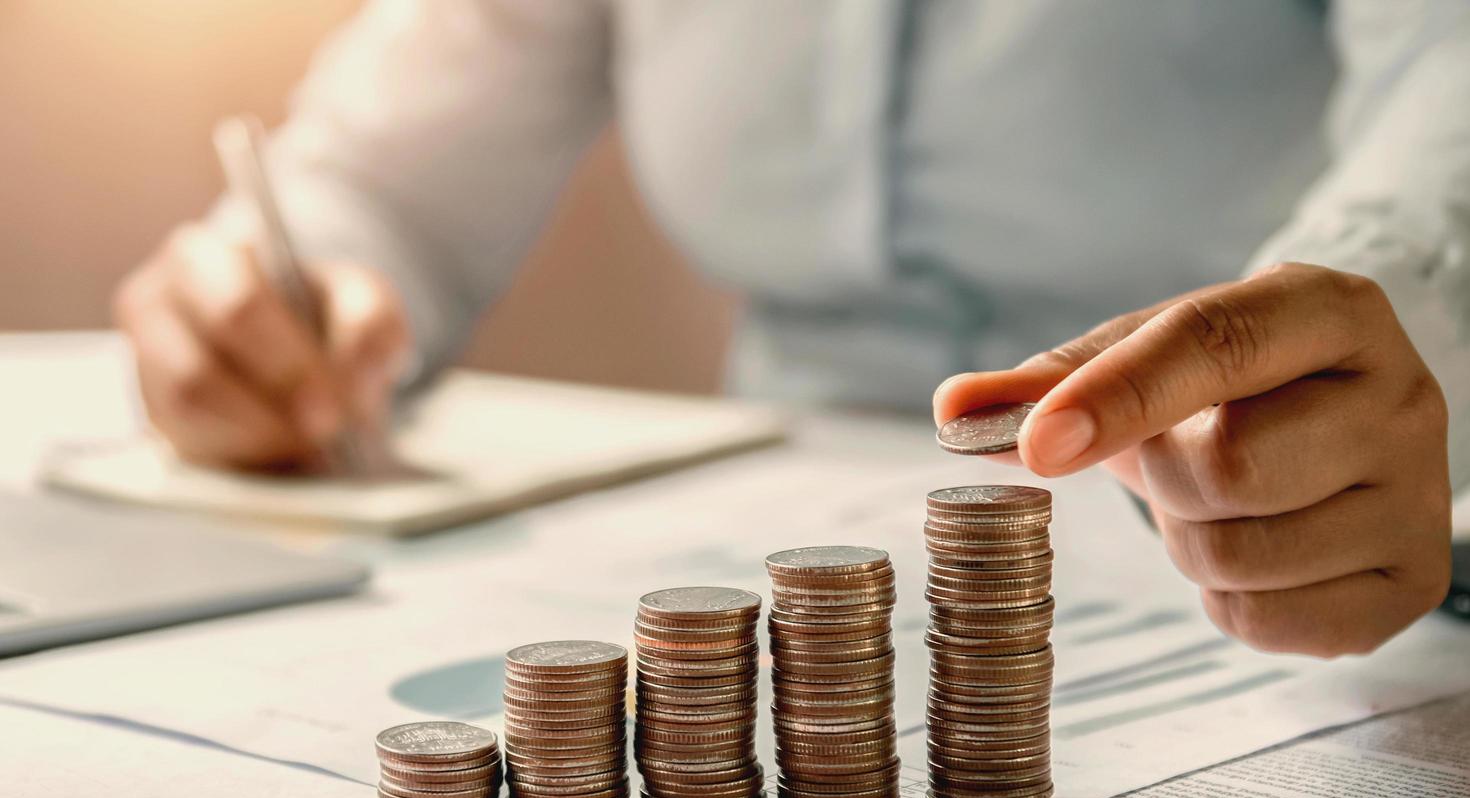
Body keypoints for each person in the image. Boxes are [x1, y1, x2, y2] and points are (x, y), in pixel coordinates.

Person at [112, 1, 1470, 656]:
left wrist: (1367, 315)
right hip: (757, 519)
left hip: (1251, 501)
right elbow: (385, 174)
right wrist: (269, 283)